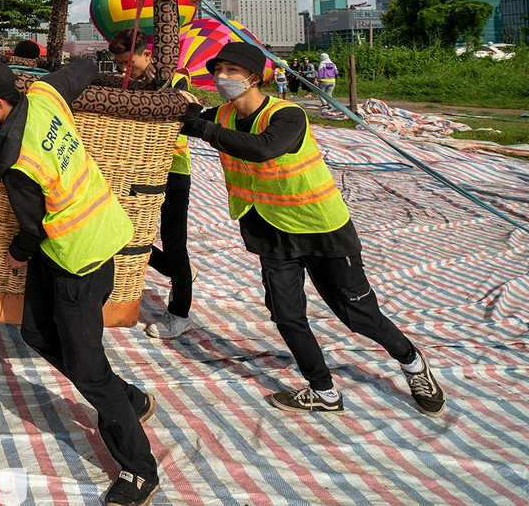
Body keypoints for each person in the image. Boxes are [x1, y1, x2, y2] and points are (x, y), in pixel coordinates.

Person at [177, 41, 447, 417]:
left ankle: (412, 362)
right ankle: (323, 390)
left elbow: (262, 148)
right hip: (269, 229)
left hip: (321, 228)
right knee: (286, 315)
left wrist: (201, 127)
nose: (222, 78)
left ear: (254, 77)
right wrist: (172, 101)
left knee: (358, 314)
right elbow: (186, 115)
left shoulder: (288, 115)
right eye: (217, 71)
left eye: (231, 72)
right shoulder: (219, 115)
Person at [0, 57, 162, 506]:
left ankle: (140, 469)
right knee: (35, 330)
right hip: (88, 234)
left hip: (78, 258)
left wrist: (16, 252)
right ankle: (129, 399)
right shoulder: (43, 95)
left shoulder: (15, 156)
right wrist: (109, 63)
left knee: (87, 369)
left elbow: (32, 228)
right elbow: (80, 69)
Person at [107, 29, 193, 341]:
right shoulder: (126, 82)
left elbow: (176, 111)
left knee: (175, 242)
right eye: (119, 65)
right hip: (136, 170)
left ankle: (180, 313)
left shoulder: (176, 81)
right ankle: (174, 270)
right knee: (122, 231)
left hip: (173, 170)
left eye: (129, 63)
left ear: (147, 54)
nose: (124, 70)